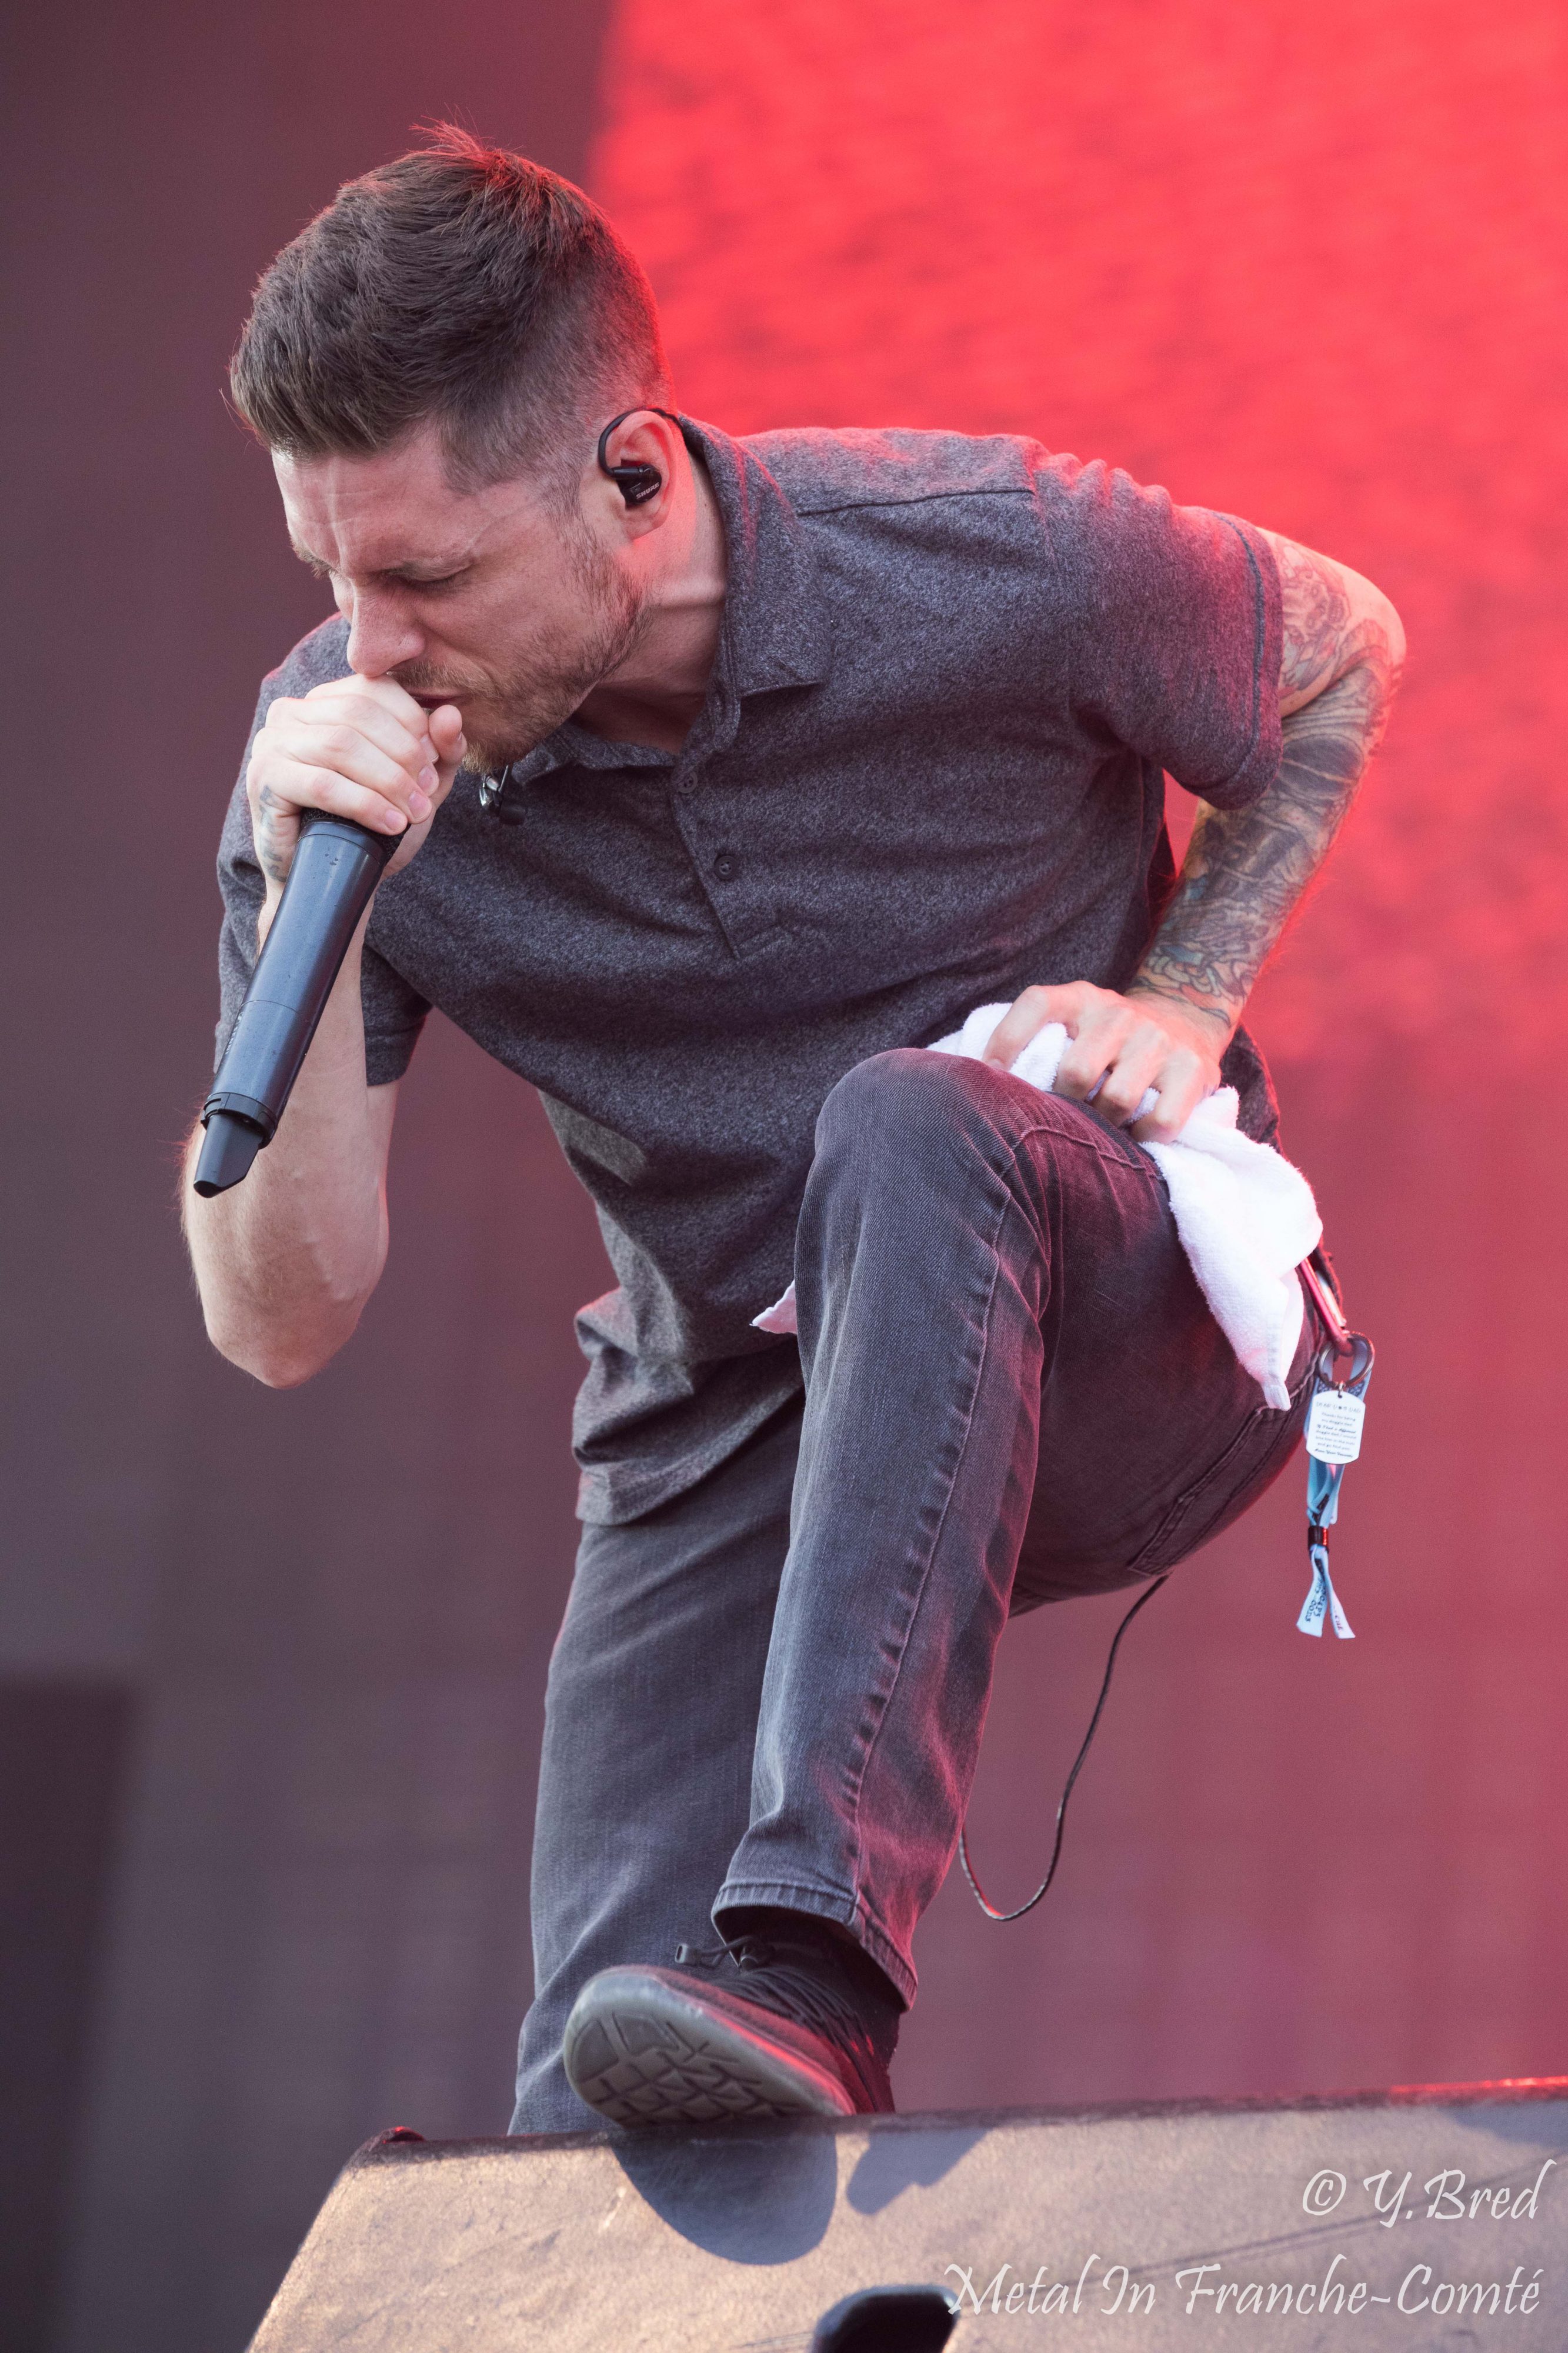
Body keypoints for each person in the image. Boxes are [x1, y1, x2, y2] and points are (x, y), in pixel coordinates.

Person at [183, 127, 1403, 2134]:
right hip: (742, 1403)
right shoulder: (335, 768)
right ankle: (717, 2083)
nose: (370, 645)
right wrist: (315, 905)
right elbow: (276, 1320)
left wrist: (1184, 1001)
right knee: (608, 2097)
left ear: (632, 476)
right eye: (333, 574)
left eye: (426, 577)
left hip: (1115, 1323)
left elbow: (1344, 637)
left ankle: (819, 1951)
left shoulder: (985, 552)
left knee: (906, 1123)